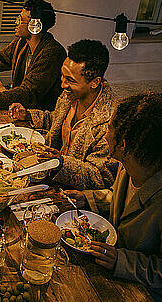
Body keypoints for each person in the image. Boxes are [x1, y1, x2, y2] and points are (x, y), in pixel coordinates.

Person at [64, 92, 162, 302]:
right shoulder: (130, 166)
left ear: (124, 143)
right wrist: (87, 199)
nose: (105, 133)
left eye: (108, 127)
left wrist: (122, 261)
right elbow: (121, 200)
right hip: (119, 262)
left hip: (152, 299)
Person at [9, 39, 117, 190]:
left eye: (70, 80)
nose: (62, 85)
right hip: (48, 175)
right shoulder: (70, 97)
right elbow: (56, 120)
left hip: (71, 194)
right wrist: (27, 115)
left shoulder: (111, 122)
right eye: (62, 76)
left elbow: (100, 177)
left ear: (95, 82)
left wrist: (61, 163)